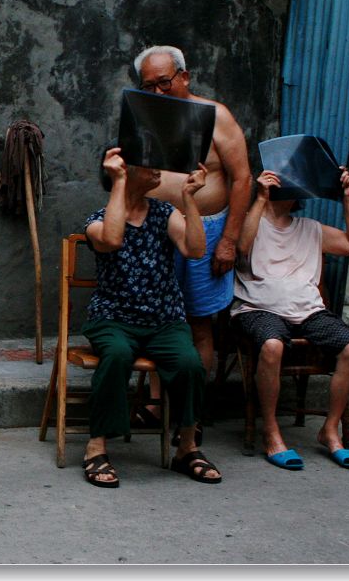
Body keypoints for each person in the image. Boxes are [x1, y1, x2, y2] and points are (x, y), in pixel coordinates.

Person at [81, 147, 222, 488]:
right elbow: (113, 239)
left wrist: (190, 198)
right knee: (115, 355)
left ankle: (187, 447)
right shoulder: (97, 221)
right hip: (113, 317)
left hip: (163, 318)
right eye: (148, 163)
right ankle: (96, 446)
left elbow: (196, 250)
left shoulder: (164, 213)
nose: (159, 168)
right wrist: (118, 182)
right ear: (126, 171)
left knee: (189, 363)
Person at [132, 45, 252, 442]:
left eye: (165, 82)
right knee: (153, 316)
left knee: (198, 322)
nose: (159, 92)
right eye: (149, 85)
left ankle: (191, 414)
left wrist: (230, 241)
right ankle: (153, 404)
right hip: (156, 229)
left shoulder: (217, 118)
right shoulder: (143, 117)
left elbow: (242, 179)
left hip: (210, 228)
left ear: (184, 76)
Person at [232, 167, 349, 470]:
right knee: (272, 345)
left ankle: (330, 430)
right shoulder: (252, 222)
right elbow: (241, 247)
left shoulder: (311, 228)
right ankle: (271, 431)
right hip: (257, 309)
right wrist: (260, 198)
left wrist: (348, 199)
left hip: (308, 311)